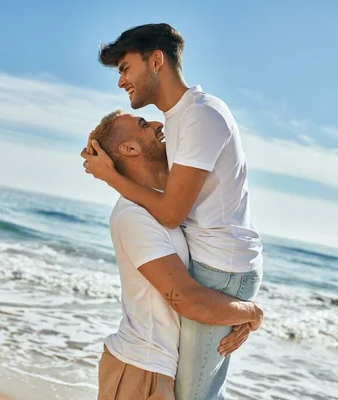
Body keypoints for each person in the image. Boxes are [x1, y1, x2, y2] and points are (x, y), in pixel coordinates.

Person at [82, 23, 264, 400]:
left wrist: (110, 175)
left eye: (125, 68)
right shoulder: (178, 122)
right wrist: (246, 313)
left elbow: (172, 212)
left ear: (157, 60)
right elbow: (165, 204)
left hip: (222, 269)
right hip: (198, 291)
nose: (121, 81)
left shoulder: (199, 116)